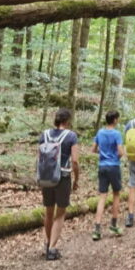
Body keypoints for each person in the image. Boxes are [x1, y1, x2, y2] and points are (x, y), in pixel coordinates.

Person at [39, 107, 79, 260]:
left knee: (49, 212)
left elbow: (39, 158)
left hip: (46, 177)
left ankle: (47, 242)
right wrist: (76, 179)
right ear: (67, 121)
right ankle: (53, 248)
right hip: (62, 176)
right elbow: (75, 161)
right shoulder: (71, 136)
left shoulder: (45, 134)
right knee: (60, 213)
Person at [91, 109, 124, 240]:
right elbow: (121, 152)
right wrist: (115, 156)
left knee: (102, 197)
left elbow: (93, 149)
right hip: (114, 167)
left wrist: (103, 153)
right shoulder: (116, 134)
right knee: (116, 194)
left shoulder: (100, 132)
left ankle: (97, 229)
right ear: (115, 120)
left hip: (102, 167)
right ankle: (114, 225)